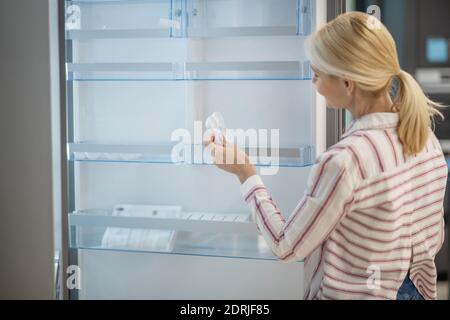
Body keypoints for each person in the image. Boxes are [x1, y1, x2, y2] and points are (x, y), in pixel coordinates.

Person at [206, 12, 447, 300]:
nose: (313, 84)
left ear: (348, 83)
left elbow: (287, 246)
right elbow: (432, 235)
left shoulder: (346, 161)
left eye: (317, 75)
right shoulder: (424, 136)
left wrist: (244, 172)